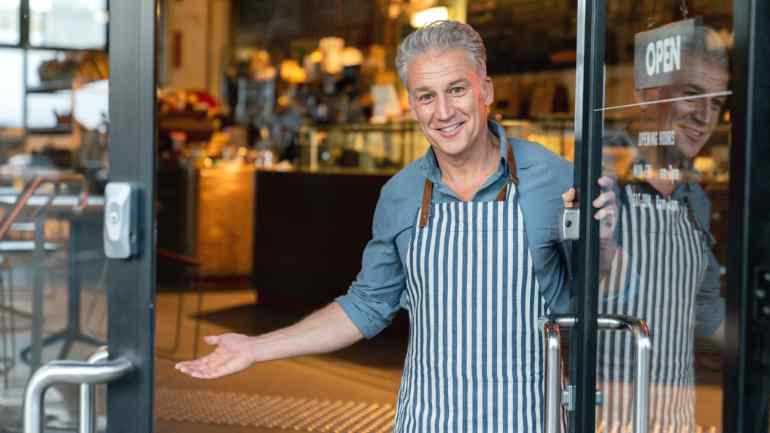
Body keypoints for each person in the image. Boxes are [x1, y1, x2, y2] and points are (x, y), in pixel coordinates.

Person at [177, 20, 613, 431]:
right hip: (427, 419)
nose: (444, 112)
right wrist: (256, 348)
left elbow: (601, 290)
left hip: (528, 419)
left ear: (486, 91)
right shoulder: (401, 195)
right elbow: (366, 306)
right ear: (411, 106)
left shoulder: (553, 178)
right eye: (426, 96)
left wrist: (607, 239)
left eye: (456, 89)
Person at [563, 23, 728, 433]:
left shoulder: (695, 200)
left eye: (717, 103)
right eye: (692, 95)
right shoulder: (598, 184)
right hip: (604, 418)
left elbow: (704, 307)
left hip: (676, 418)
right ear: (646, 95)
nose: (705, 117)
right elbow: (562, 296)